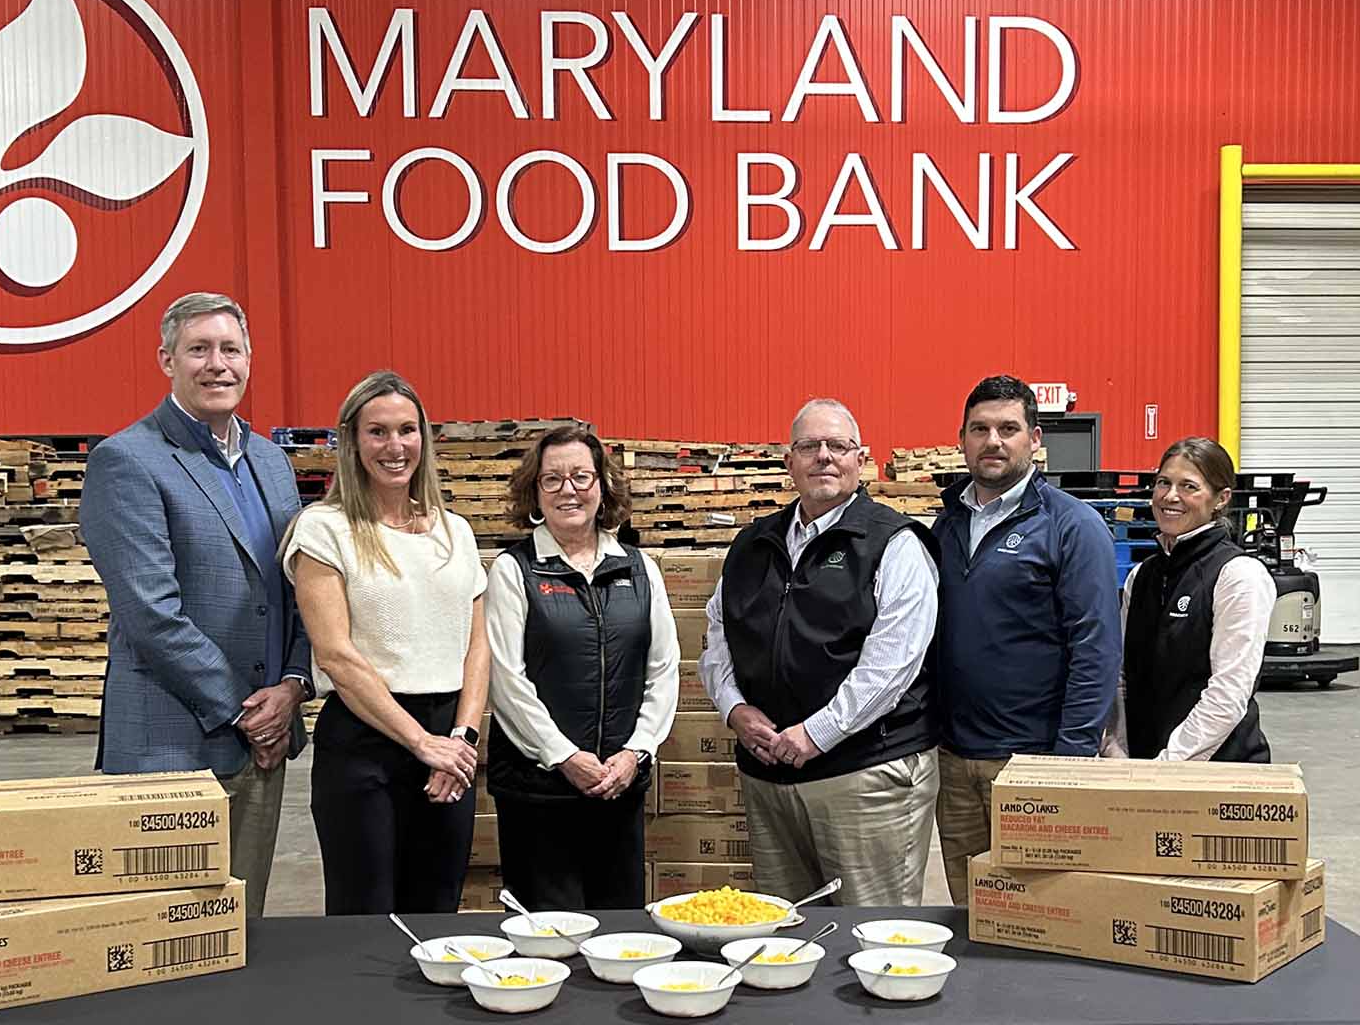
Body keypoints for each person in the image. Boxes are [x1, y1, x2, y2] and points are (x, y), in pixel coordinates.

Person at [81, 292, 313, 918]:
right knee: (161, 932)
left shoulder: (270, 461)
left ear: (249, 360)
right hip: (172, 740)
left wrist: (292, 686)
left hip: (262, 741)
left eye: (230, 349)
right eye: (199, 349)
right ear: (167, 359)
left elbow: (301, 591)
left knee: (242, 927)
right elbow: (151, 614)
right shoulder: (128, 461)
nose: (217, 364)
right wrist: (246, 711)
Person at [698, 398, 941, 907]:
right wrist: (734, 709)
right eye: (809, 446)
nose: (823, 457)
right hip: (770, 775)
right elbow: (718, 634)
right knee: (786, 931)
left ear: (861, 460)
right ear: (789, 461)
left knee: (874, 936)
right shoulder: (753, 545)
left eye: (838, 446)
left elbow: (893, 664)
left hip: (863, 774)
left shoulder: (893, 543)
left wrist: (816, 733)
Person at [283, 371, 489, 914]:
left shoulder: (455, 531)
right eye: (377, 432)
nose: (394, 447)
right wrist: (421, 743)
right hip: (365, 741)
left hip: (450, 739)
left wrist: (461, 740)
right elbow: (335, 655)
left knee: (438, 909)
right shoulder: (323, 530)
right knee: (364, 918)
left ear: (424, 436)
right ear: (351, 440)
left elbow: (477, 646)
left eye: (407, 430)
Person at [931, 374, 1119, 904]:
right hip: (952, 760)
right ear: (962, 439)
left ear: (1035, 440)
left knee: (1040, 914)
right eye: (980, 429)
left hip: (1031, 762)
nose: (994, 441)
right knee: (972, 912)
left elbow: (1096, 649)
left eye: (1009, 428)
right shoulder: (944, 526)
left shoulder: (1071, 526)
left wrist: (1068, 760)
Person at [484, 426, 680, 909]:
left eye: (580, 476)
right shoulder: (514, 571)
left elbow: (664, 669)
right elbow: (506, 679)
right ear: (534, 491)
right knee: (548, 936)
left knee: (620, 930)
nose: (568, 490)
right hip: (538, 793)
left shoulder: (639, 569)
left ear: (602, 486)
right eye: (552, 479)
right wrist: (564, 757)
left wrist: (636, 753)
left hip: (618, 785)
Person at [1103, 438, 1274, 762]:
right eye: (1163, 483)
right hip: (1144, 768)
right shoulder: (1142, 577)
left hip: (1217, 775)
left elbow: (1229, 693)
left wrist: (1169, 765)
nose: (1170, 496)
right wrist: (1117, 746)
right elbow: (1122, 675)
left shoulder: (1238, 575)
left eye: (1189, 487)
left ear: (1221, 499)